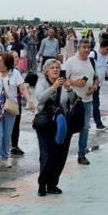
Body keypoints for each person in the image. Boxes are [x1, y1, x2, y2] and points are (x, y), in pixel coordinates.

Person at [0, 52, 35, 170]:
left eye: (0, 61)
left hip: (10, 107)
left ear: (6, 62)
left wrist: (30, 100)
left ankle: (5, 158)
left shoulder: (15, 73)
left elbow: (22, 89)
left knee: (7, 134)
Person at [34, 58, 76, 196]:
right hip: (45, 123)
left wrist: (69, 89)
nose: (55, 70)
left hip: (61, 123)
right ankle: (42, 184)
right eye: (52, 68)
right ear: (46, 71)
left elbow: (73, 101)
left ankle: (52, 184)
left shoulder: (63, 84)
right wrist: (53, 87)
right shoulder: (42, 83)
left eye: (57, 68)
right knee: (47, 154)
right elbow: (40, 99)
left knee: (60, 155)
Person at [63, 38, 98, 165]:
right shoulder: (70, 62)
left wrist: (94, 87)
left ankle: (81, 154)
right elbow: (62, 79)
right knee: (69, 128)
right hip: (73, 101)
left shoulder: (92, 61)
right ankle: (62, 153)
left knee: (85, 128)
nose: (87, 50)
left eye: (89, 48)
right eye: (84, 47)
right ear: (79, 48)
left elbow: (96, 78)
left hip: (87, 101)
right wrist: (74, 82)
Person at [90, 40, 108, 132]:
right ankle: (98, 124)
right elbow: (86, 68)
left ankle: (97, 123)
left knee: (95, 104)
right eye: (106, 49)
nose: (107, 51)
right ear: (101, 47)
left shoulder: (105, 56)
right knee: (93, 104)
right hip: (90, 84)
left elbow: (104, 66)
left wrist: (106, 74)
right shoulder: (93, 54)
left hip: (98, 85)